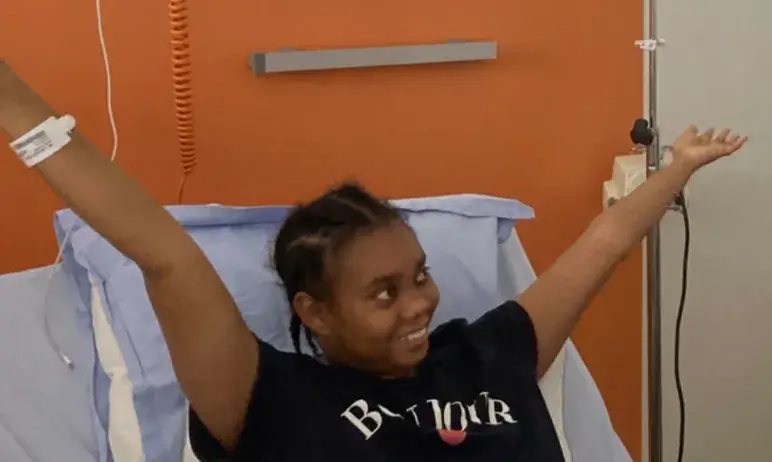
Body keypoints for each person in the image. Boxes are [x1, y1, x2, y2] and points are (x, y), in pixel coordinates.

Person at [0, 59, 748, 462]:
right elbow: (160, 254)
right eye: (383, 294)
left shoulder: (490, 352)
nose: (420, 302)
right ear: (313, 312)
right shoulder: (267, 397)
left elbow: (606, 243)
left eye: (419, 275)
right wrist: (16, 109)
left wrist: (676, 168)